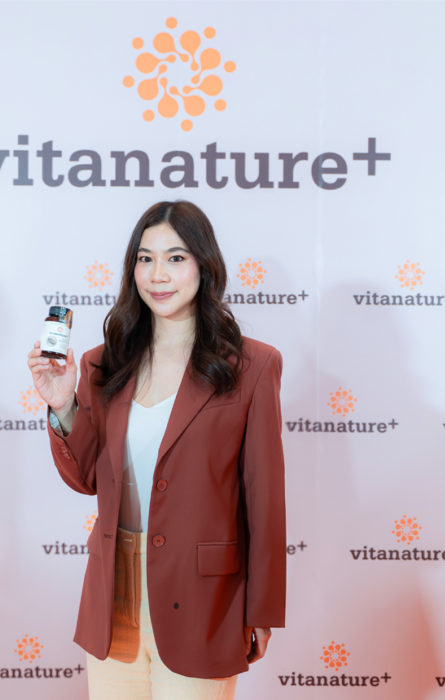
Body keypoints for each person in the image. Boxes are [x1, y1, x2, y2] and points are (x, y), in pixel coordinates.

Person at [28, 200, 286, 699]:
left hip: (206, 599)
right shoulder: (102, 363)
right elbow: (86, 479)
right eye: (145, 259)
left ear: (204, 266)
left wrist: (262, 608)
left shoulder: (252, 366)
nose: (158, 275)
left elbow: (265, 496)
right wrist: (62, 405)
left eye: (175, 258)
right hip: (113, 595)